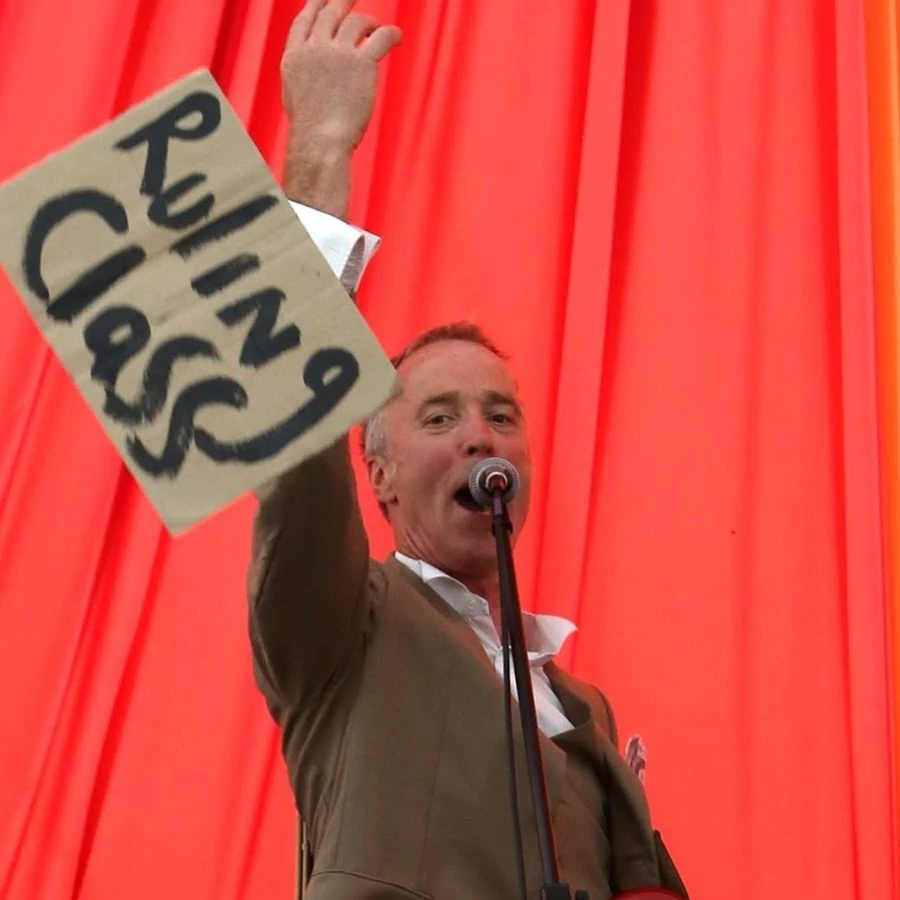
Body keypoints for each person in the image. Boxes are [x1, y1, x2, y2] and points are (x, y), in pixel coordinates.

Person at [248, 2, 689, 897]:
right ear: (378, 476)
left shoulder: (583, 708)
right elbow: (295, 444)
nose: (481, 435)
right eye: (439, 418)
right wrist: (321, 149)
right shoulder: (344, 622)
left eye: (499, 414)